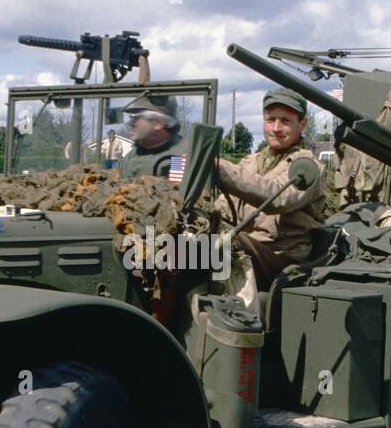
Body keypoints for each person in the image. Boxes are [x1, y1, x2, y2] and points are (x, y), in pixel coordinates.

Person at [216, 88, 326, 289]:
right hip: (248, 247)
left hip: (283, 260)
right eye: (270, 120)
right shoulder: (250, 162)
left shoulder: (308, 167)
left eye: (285, 121)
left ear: (302, 124)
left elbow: (277, 197)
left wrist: (220, 168)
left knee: (221, 239)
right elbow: (222, 207)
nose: (276, 128)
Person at [116, 96, 191, 179]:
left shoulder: (182, 154)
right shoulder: (132, 155)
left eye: (136, 118)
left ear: (158, 123)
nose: (130, 123)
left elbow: (176, 189)